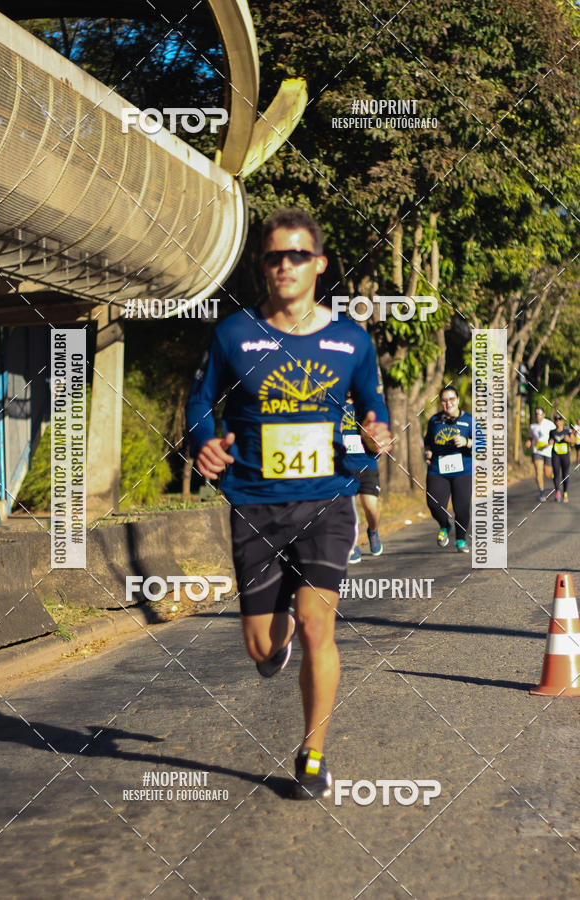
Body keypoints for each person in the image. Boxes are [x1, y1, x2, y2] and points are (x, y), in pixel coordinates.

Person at [186, 208, 391, 800]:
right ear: (263, 265)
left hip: (327, 498)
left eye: (297, 255)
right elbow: (200, 405)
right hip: (255, 502)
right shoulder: (233, 334)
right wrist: (204, 443)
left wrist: (376, 432)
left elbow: (372, 408)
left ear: (319, 265)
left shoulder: (350, 339)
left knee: (315, 623)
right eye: (274, 256)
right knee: (263, 646)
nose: (285, 266)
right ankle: (274, 649)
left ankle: (313, 753)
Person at [424, 386, 483, 553]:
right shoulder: (434, 420)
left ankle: (461, 540)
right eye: (444, 400)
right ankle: (444, 525)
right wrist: (427, 452)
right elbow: (428, 441)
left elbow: (482, 443)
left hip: (462, 470)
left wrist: (466, 442)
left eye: (451, 399)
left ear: (457, 400)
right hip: (437, 469)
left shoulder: (469, 420)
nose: (448, 403)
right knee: (434, 504)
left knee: (462, 508)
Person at [341, 395, 383, 563]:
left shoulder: (368, 406)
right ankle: (353, 545)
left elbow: (381, 433)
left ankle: (373, 531)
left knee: (371, 508)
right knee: (349, 510)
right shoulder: (335, 405)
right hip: (344, 467)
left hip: (367, 465)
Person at [525, 407, 555, 501]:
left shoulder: (549, 424)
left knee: (547, 473)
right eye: (536, 414)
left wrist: (551, 441)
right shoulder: (532, 426)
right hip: (536, 451)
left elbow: (555, 434)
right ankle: (542, 493)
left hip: (548, 451)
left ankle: (553, 474)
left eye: (539, 414)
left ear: (544, 415)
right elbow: (530, 437)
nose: (537, 416)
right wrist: (529, 442)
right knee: (538, 471)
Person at [549, 413, 575, 502]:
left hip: (565, 455)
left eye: (560, 419)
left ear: (563, 421)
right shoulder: (552, 432)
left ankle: (565, 493)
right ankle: (557, 492)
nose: (558, 421)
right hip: (555, 454)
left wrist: (569, 440)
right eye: (556, 419)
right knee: (556, 473)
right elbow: (550, 441)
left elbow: (574, 441)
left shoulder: (567, 431)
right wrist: (550, 442)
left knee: (565, 474)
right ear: (554, 422)